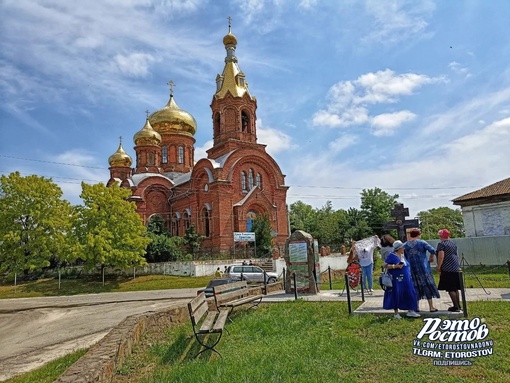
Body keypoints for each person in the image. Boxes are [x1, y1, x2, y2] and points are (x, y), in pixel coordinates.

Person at [404, 228, 440, 312]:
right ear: (418, 235)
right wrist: (431, 257)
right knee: (427, 286)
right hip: (424, 269)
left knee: (415, 287)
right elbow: (433, 250)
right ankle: (431, 307)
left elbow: (404, 257)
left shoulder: (405, 245)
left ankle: (416, 307)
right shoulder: (422, 242)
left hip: (412, 270)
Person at [383, 240, 420, 319]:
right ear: (398, 248)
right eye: (402, 247)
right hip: (396, 279)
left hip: (406, 279)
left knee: (410, 292)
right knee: (396, 294)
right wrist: (394, 266)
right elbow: (384, 265)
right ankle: (396, 313)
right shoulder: (391, 255)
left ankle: (411, 310)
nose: (403, 248)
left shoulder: (403, 255)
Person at [436, 229, 461, 312]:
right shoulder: (453, 244)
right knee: (455, 288)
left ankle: (455, 306)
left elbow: (441, 256)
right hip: (455, 267)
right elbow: (457, 255)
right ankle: (458, 305)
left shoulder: (441, 244)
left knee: (450, 288)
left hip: (447, 268)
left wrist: (439, 266)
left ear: (441, 236)